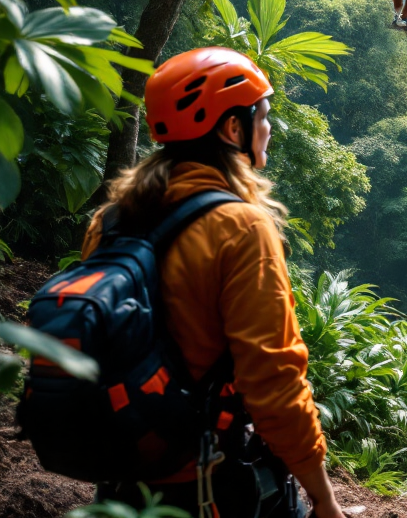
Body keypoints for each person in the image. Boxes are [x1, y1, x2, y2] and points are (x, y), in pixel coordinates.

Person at [84, 47, 346, 518]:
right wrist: (324, 500)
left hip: (123, 472)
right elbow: (273, 381)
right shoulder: (242, 228)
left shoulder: (111, 220)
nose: (268, 129)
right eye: (262, 116)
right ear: (232, 128)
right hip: (209, 482)